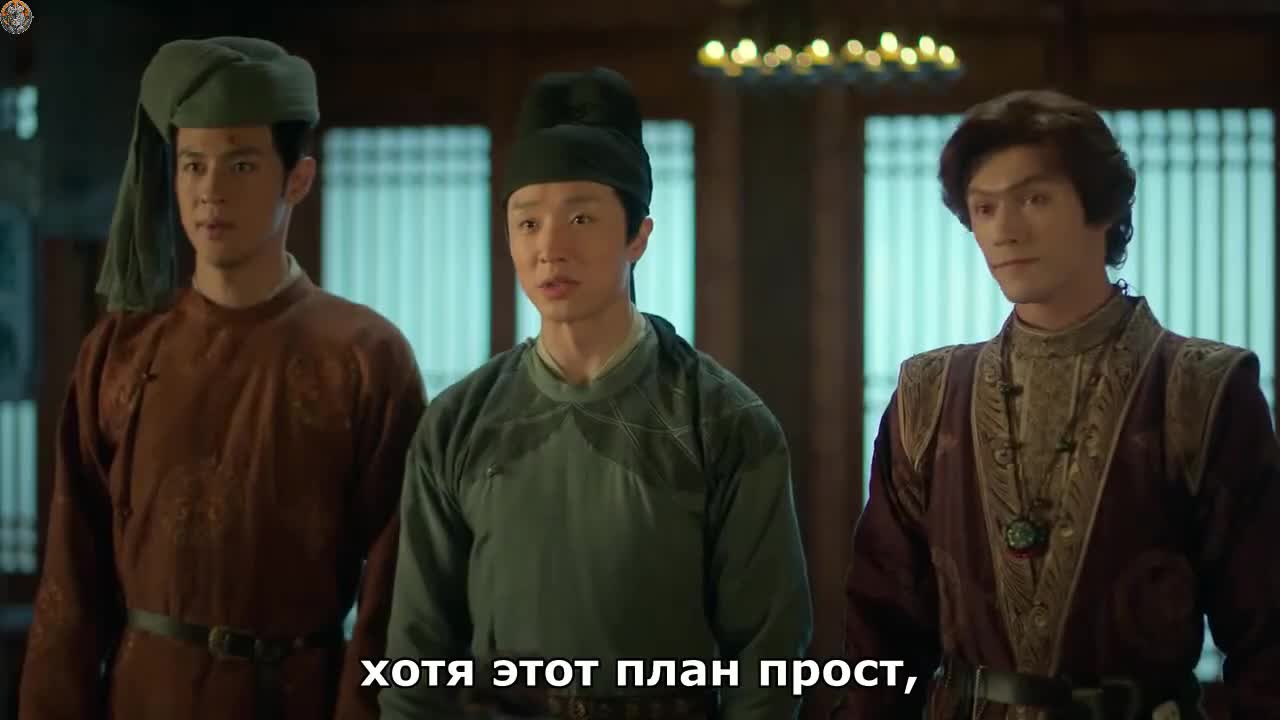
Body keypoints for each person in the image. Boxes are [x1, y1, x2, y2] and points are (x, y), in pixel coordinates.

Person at [378, 67, 813, 720]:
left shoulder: (722, 419)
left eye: (581, 217)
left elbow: (769, 655)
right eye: (528, 223)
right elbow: (417, 652)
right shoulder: (459, 422)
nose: (550, 248)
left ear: (638, 236)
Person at [833, 89, 1280, 719]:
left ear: (1101, 207)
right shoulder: (928, 392)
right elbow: (879, 632)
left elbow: (1266, 636)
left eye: (1034, 200)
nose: (1005, 230)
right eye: (984, 208)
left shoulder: (1202, 387)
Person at [19, 37, 427, 720]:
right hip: (144, 696)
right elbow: (69, 581)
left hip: (294, 695)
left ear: (297, 179)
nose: (210, 190)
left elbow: (392, 596)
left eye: (240, 164)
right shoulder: (120, 350)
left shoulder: (366, 357)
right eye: (192, 165)